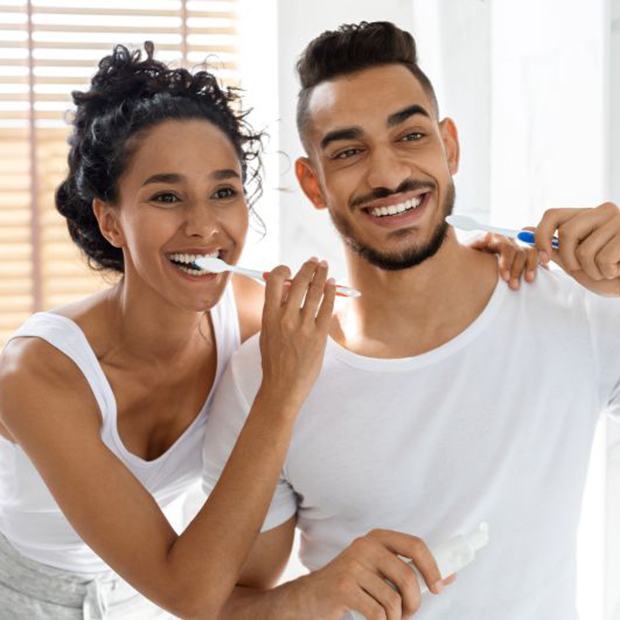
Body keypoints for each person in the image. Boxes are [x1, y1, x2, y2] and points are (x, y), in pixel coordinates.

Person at [0, 39, 534, 620]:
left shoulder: (251, 313)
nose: (203, 225)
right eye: (166, 196)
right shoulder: (36, 376)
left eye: (223, 192)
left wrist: (483, 254)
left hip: (138, 594)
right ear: (110, 220)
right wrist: (279, 393)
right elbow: (190, 593)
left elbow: (382, 308)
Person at [202, 21, 620, 620]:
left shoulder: (573, 315)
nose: (387, 174)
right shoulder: (264, 378)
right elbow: (221, 604)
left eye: (411, 136)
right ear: (311, 183)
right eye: (348, 152)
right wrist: (307, 597)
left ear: (449, 147)